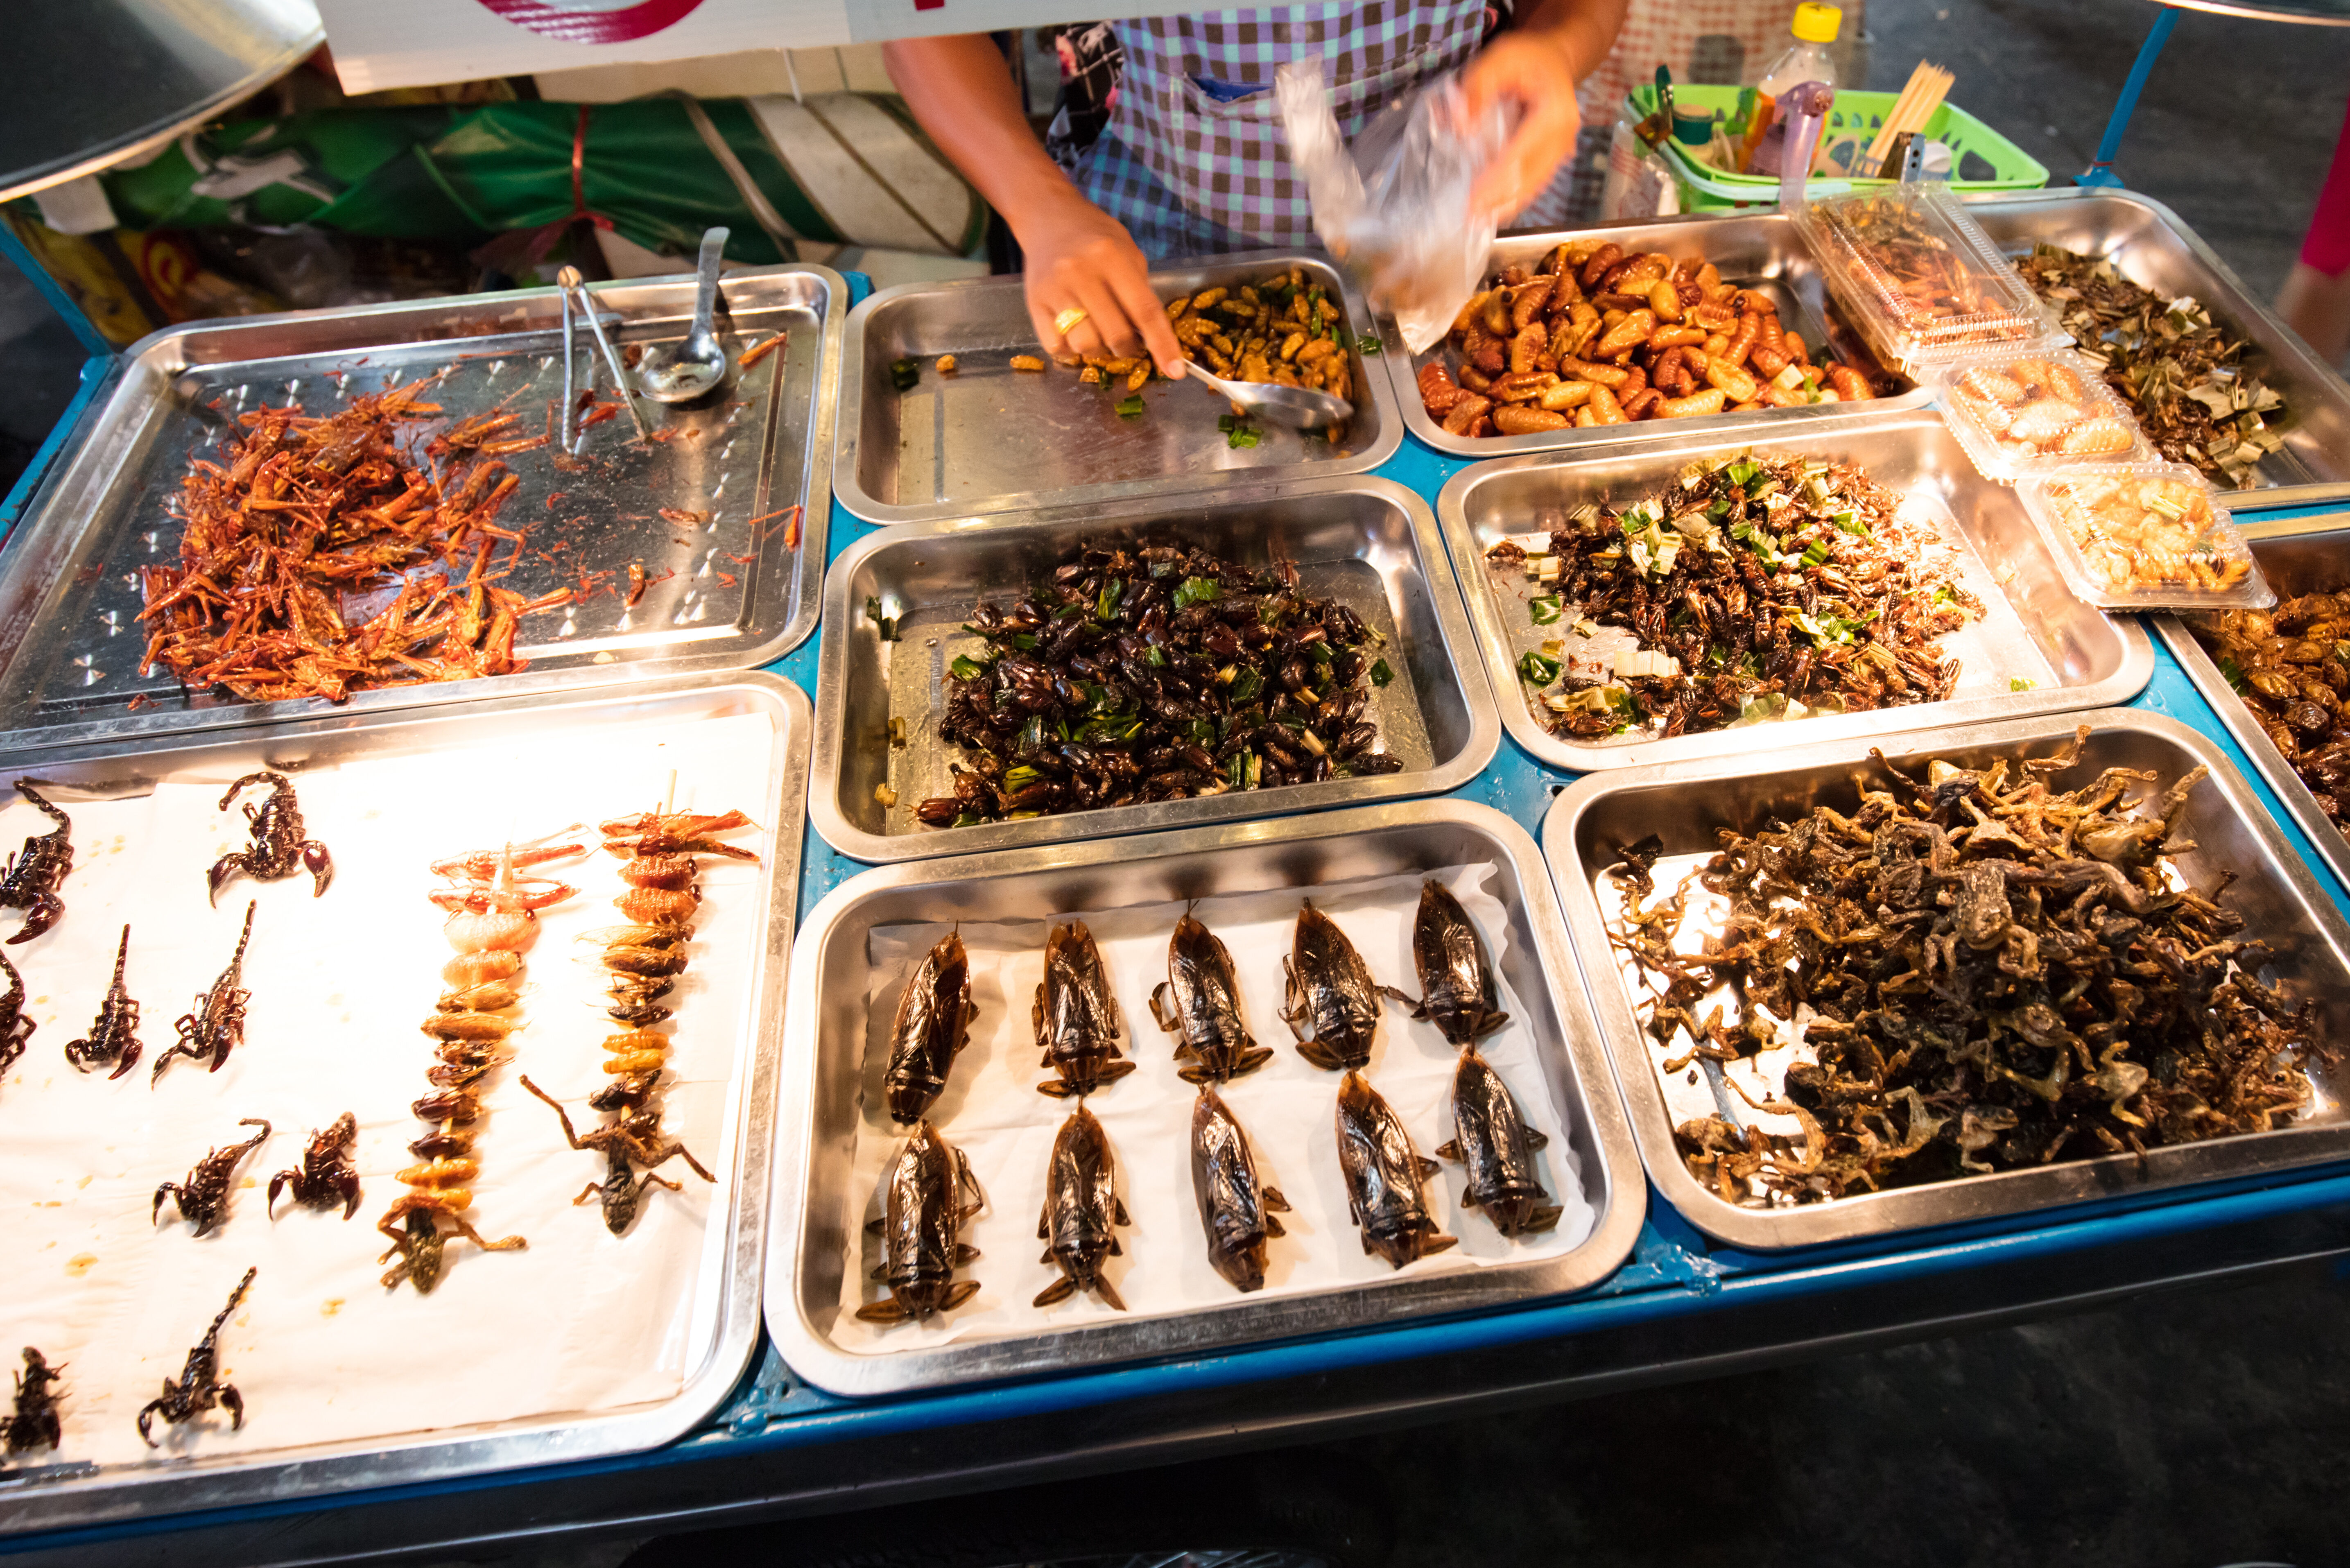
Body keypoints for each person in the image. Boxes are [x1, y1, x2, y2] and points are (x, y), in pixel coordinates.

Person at [883, 3, 1629, 378]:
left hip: (1449, 245)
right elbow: (920, 21)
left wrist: (1555, 50)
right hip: (1149, 243)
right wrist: (1039, 206)